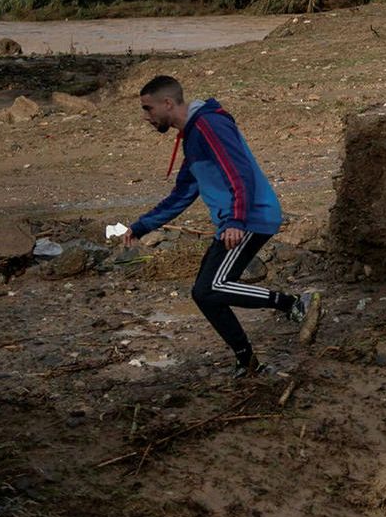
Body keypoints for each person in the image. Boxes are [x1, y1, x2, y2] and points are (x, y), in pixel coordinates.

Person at [123, 75, 317, 377]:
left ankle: (293, 303)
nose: (146, 117)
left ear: (167, 103)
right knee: (204, 294)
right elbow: (183, 194)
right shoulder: (193, 137)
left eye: (148, 109)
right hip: (234, 222)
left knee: (212, 286)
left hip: (250, 219)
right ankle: (247, 360)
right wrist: (141, 226)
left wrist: (236, 219)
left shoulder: (209, 125)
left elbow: (239, 172)